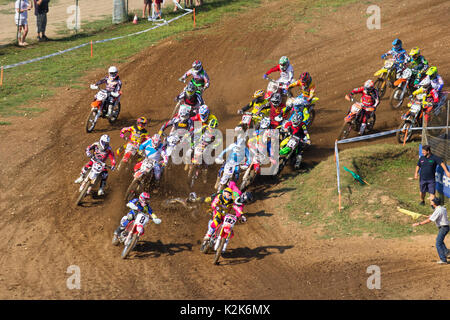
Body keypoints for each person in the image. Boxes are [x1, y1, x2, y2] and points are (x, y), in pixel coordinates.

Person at [202, 187, 246, 252]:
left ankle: (221, 242)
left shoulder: (231, 201)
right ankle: (208, 235)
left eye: (230, 195)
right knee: (216, 221)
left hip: (225, 215)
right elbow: (214, 203)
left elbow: (236, 207)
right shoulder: (219, 197)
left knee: (228, 226)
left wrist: (242, 215)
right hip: (217, 212)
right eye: (229, 195)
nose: (229, 197)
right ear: (224, 194)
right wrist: (215, 206)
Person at [413, 197, 450, 264]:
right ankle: (447, 253)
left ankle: (443, 260)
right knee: (440, 241)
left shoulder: (438, 210)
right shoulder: (442, 208)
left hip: (443, 228)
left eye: (432, 201)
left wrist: (419, 223)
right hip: (445, 227)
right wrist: (432, 215)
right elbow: (438, 215)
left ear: (434, 203)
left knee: (438, 243)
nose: (431, 202)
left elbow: (429, 220)